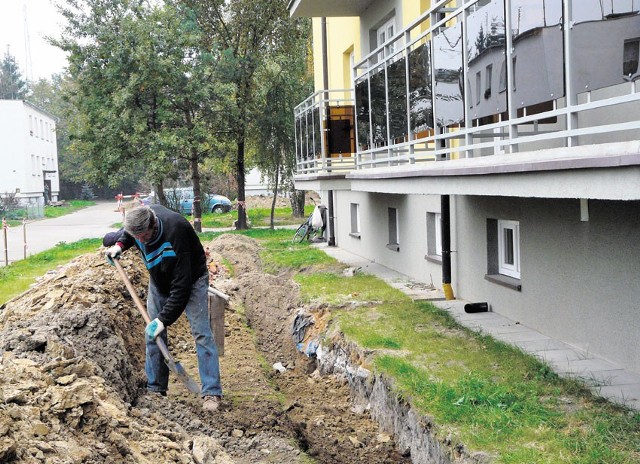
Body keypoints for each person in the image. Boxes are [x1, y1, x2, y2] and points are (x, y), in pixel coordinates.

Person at [105, 205, 222, 412]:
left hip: (191, 281)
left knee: (202, 333)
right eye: (136, 237)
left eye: (144, 236)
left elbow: (182, 288)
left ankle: (211, 391)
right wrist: (120, 245)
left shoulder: (175, 230)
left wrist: (163, 320)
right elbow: (128, 234)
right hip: (159, 280)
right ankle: (156, 388)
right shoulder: (138, 226)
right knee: (152, 334)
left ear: (152, 225)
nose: (141, 241)